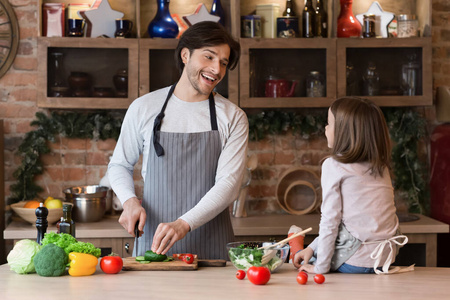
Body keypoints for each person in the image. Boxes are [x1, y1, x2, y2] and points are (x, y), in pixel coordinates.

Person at [108, 21, 248, 260]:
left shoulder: (232, 117)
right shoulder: (144, 108)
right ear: (185, 55)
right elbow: (120, 164)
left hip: (212, 247)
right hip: (156, 243)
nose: (216, 69)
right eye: (209, 57)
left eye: (223, 63)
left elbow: (229, 184)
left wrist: (184, 223)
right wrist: (129, 201)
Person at [293, 97, 408, 274]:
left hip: (354, 262)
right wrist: (313, 247)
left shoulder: (333, 166)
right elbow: (353, 223)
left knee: (305, 261)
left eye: (329, 123)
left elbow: (330, 221)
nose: (325, 128)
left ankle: (300, 247)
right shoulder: (381, 167)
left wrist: (320, 268)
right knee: (312, 251)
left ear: (344, 132)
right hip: (384, 259)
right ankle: (307, 249)